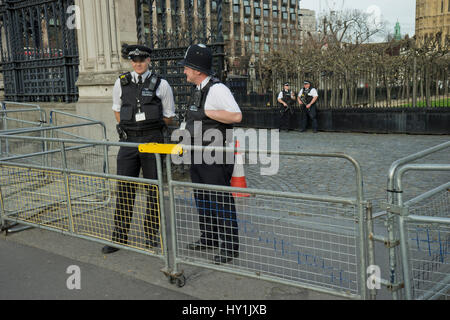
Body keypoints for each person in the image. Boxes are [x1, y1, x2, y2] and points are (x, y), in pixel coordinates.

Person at [102, 44, 176, 254]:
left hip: (152, 142)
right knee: (124, 187)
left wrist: (147, 127)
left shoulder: (162, 84)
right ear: (131, 62)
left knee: (153, 189)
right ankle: (119, 236)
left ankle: (151, 233)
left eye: (142, 60)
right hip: (129, 142)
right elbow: (117, 110)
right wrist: (132, 127)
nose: (138, 64)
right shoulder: (121, 82)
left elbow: (169, 116)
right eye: (134, 60)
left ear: (149, 60)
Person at [178, 43, 242, 264]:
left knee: (220, 199)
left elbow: (236, 116)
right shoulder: (199, 89)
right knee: (203, 198)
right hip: (199, 153)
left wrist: (209, 112)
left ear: (197, 69)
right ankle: (210, 237)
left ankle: (230, 246)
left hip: (215, 155)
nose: (184, 71)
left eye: (186, 67)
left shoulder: (217, 89)